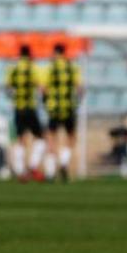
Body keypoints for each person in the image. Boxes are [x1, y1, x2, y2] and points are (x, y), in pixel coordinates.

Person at [40, 42, 83, 182]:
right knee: (71, 137)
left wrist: (46, 102)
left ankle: (51, 172)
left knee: (51, 138)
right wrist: (75, 102)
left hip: (54, 108)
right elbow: (80, 89)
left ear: (55, 52)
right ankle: (64, 163)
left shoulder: (50, 68)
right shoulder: (72, 68)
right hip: (69, 108)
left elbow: (43, 89)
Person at [4, 44, 44, 181]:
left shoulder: (13, 69)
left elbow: (8, 89)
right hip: (30, 108)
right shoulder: (33, 68)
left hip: (18, 108)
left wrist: (15, 96)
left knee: (20, 139)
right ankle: (32, 165)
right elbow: (41, 87)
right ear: (29, 54)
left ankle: (20, 171)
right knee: (39, 138)